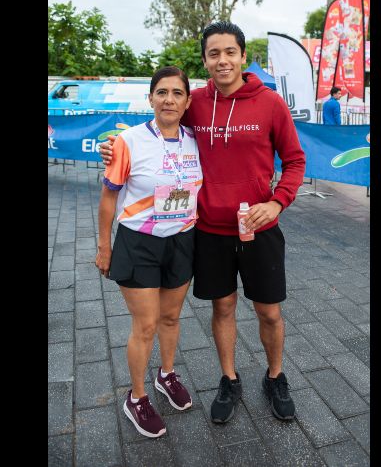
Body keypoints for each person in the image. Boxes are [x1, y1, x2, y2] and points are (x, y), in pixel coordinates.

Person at [101, 22, 306, 423]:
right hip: (209, 230)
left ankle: (275, 376)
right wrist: (114, 143)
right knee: (223, 307)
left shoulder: (270, 103)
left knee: (269, 312)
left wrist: (279, 202)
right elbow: (160, 118)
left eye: (230, 52)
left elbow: (295, 161)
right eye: (214, 54)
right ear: (205, 60)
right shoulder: (194, 100)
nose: (222, 60)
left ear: (243, 56)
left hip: (259, 227)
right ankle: (228, 379)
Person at [95, 66, 201, 438]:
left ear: (188, 102)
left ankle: (166, 375)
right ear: (151, 98)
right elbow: (109, 196)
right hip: (138, 241)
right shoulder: (129, 142)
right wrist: (104, 246)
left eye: (177, 93)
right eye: (162, 92)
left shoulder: (194, 139)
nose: (169, 99)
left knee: (171, 318)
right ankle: (137, 397)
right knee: (146, 324)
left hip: (181, 239)